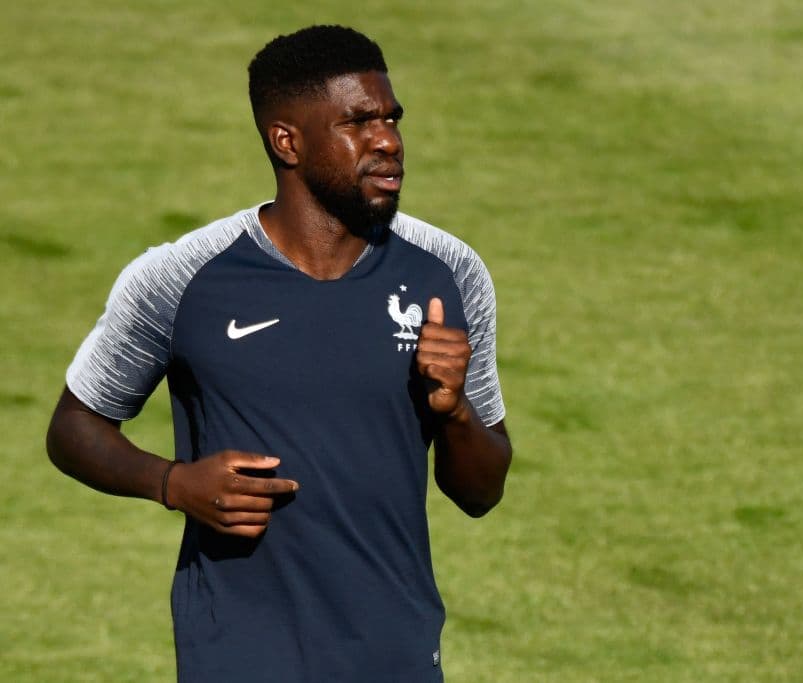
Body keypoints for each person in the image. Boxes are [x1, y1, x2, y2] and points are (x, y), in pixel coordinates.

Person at [46, 24, 512, 682]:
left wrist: (455, 409)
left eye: (391, 119)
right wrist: (172, 483)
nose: (388, 141)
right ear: (286, 141)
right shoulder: (182, 277)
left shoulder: (448, 272)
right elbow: (74, 426)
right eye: (358, 122)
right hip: (237, 653)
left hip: (395, 653)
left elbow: (482, 491)